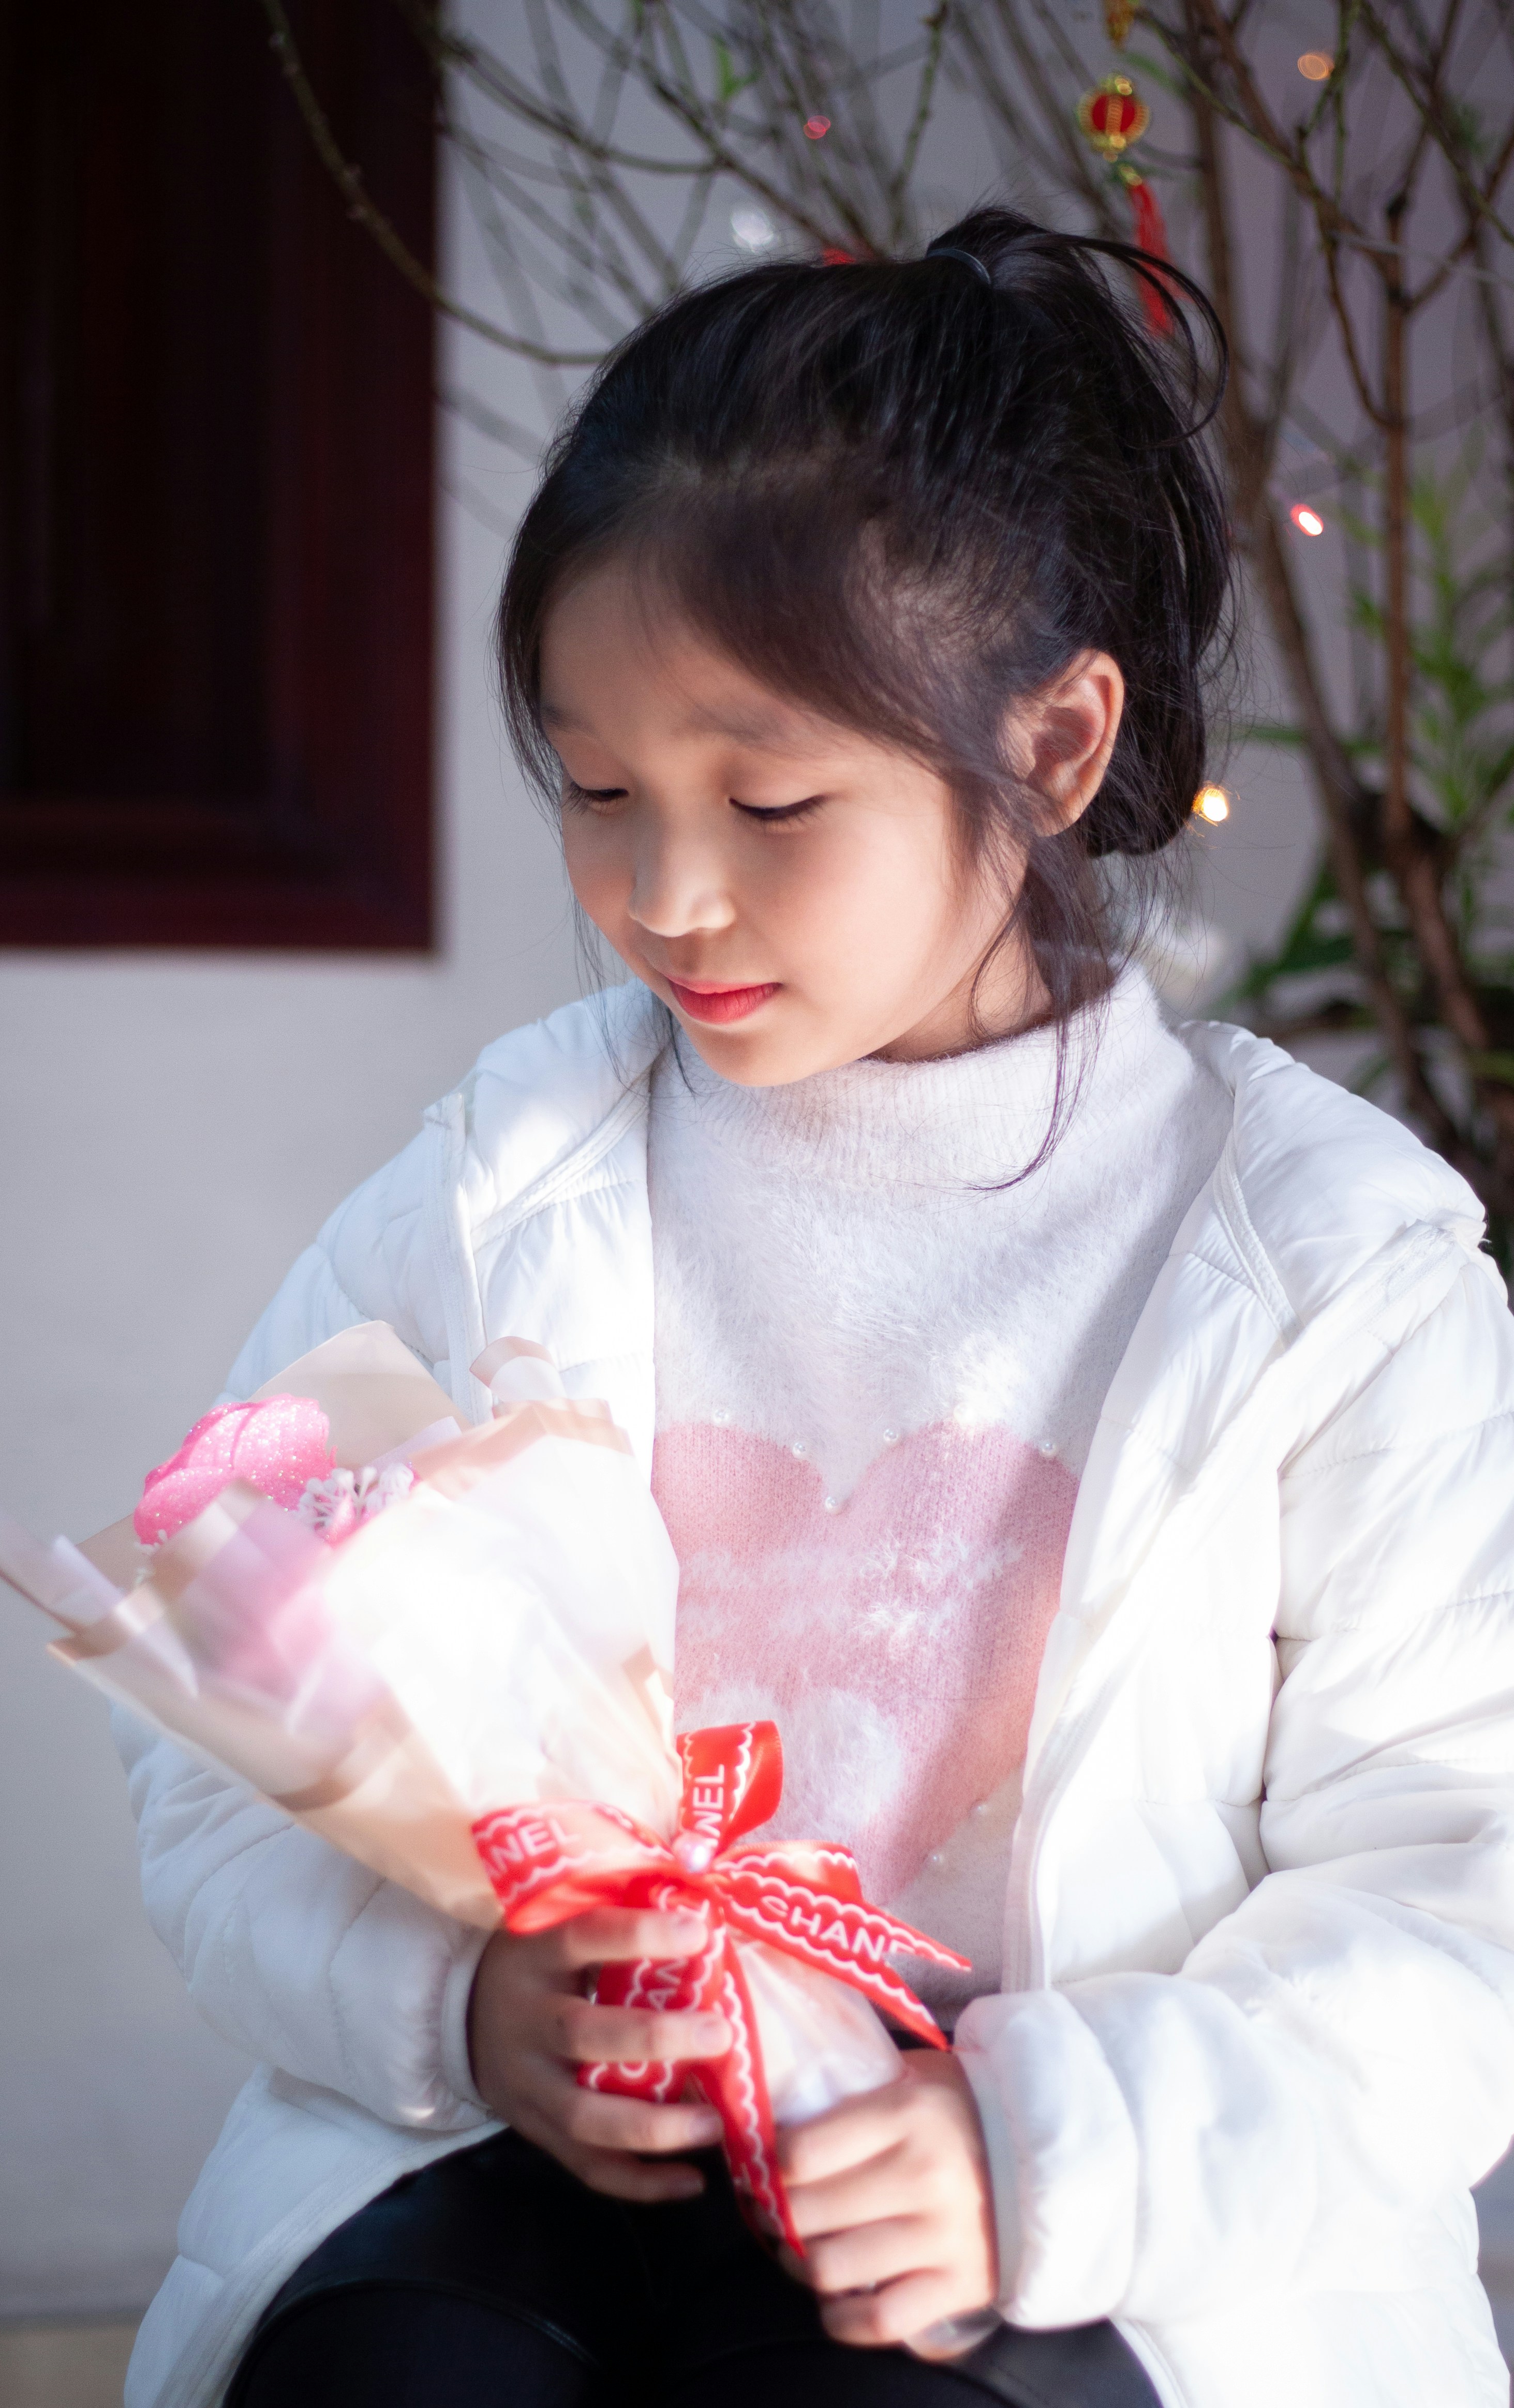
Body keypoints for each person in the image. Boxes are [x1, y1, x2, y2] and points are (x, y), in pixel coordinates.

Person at [118, 207, 1514, 2408]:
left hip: (1063, 2221)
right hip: (545, 2166)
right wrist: (456, 2007)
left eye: (770, 798)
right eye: (595, 789)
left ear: (1052, 748)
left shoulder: (1328, 1262)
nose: (663, 895)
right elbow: (212, 1752)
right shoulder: (509, 1180)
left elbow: (1459, 1899)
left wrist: (1044, 2150)